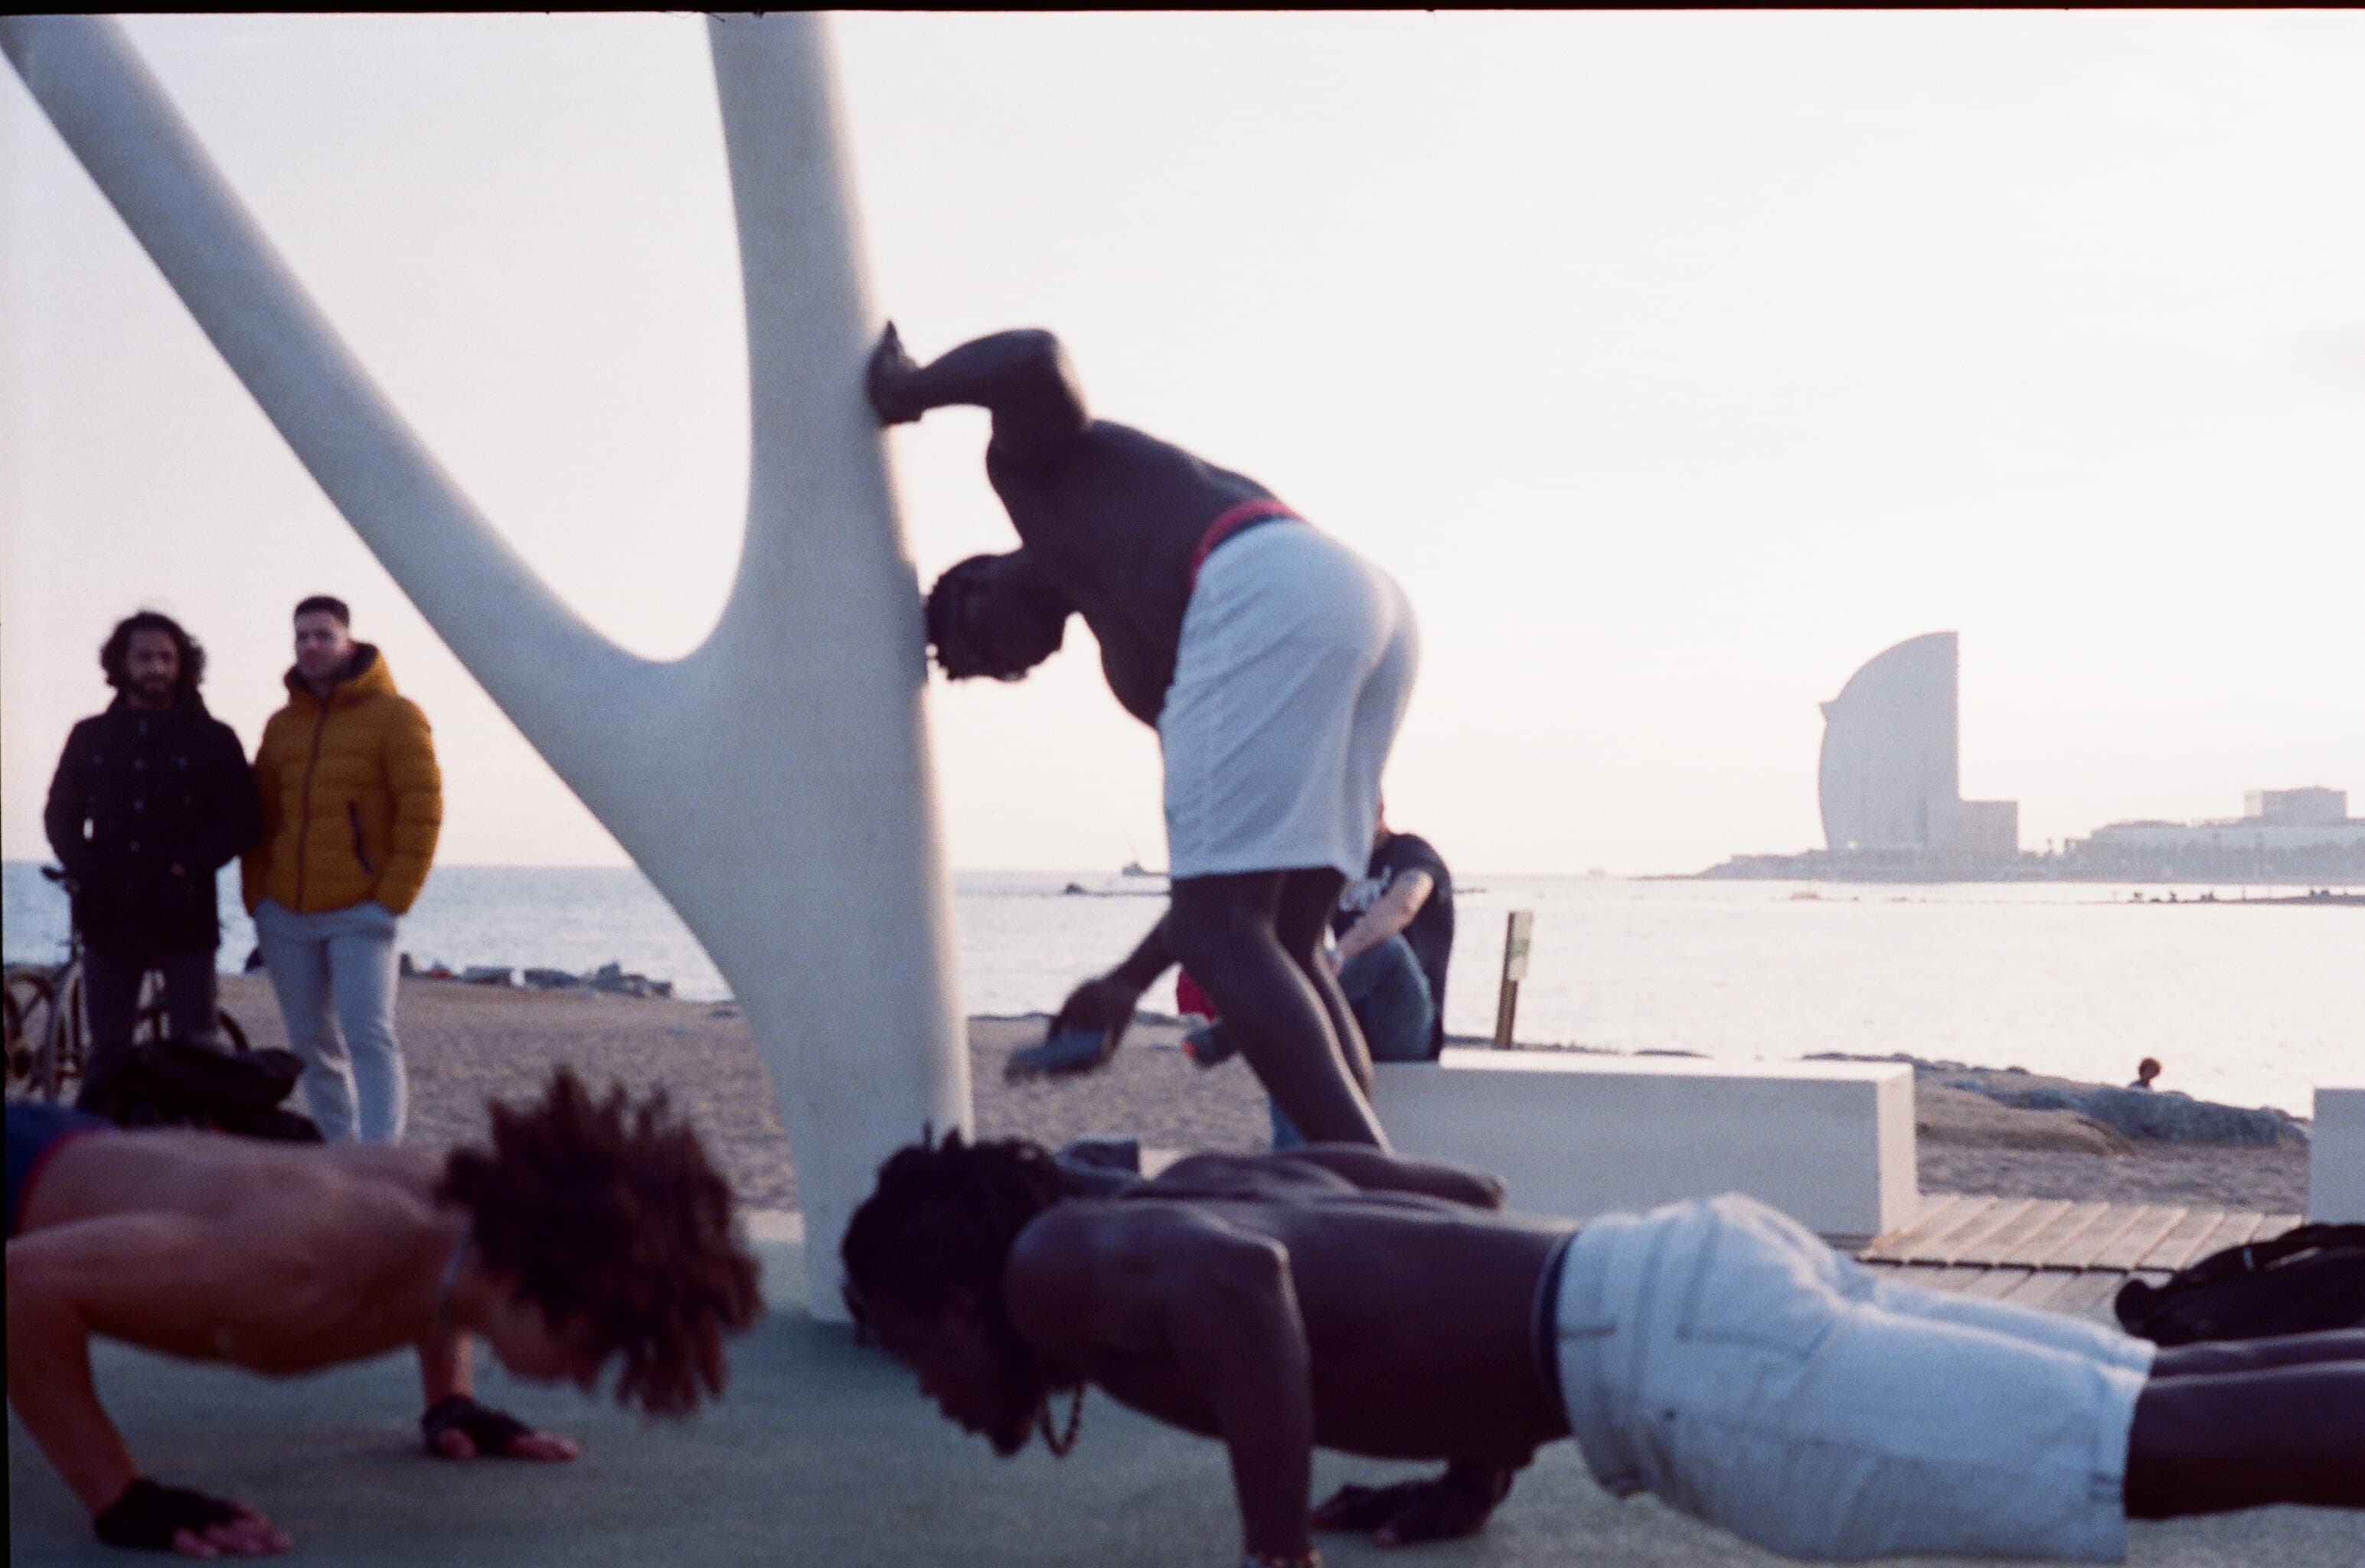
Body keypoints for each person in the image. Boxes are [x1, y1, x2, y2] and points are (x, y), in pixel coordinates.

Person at [842, 1133, 2363, 1568]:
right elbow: (1453, 1206)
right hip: (1683, 1269)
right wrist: (1469, 1458)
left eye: (907, 1344)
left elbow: (1248, 1299)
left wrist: (1270, 1557)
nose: (923, 1381)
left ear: (953, 1297)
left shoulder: (1051, 1269)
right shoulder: (1197, 1185)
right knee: (2149, 1399)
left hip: (1682, 1366)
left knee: (2143, 1453)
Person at [869, 324, 1418, 1147]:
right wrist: (1125, 983)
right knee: (1292, 940)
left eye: (974, 647)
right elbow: (1220, 891)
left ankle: (1373, 1180)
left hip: (1262, 576)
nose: (1006, 666)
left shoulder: (1036, 487)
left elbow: (1031, 359)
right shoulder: (1133, 668)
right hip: (1361, 600)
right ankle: (1356, 1167)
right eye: (997, 675)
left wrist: (901, 394)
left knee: (1227, 932)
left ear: (977, 577)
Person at [5, 1068, 763, 1557]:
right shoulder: (300, 1260)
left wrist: (451, 1399)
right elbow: (26, 1286)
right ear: (512, 1271)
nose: (593, 1368)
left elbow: (449, 1269)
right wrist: (121, 1496)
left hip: (85, 1150)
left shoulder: (472, 1219)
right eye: (595, 1334)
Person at [243, 596, 443, 1143]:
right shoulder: (282, 726)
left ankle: (379, 1157)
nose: (311, 646)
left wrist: (393, 899)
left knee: (368, 1035)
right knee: (311, 1044)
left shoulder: (397, 717)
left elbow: (421, 813)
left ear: (348, 642)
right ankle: (340, 1150)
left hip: (362, 911)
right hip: (286, 913)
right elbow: (260, 816)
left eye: (322, 635)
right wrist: (256, 898)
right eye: (301, 636)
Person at [43, 612, 264, 1089]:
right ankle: (109, 1152)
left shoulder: (215, 739)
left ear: (183, 665)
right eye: (144, 657)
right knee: (108, 1052)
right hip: (109, 914)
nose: (156, 668)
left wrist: (189, 864)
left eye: (167, 657)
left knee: (198, 1048)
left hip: (184, 917)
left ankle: (193, 1154)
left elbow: (244, 820)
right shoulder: (90, 737)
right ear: (121, 663)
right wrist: (88, 870)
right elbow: (60, 817)